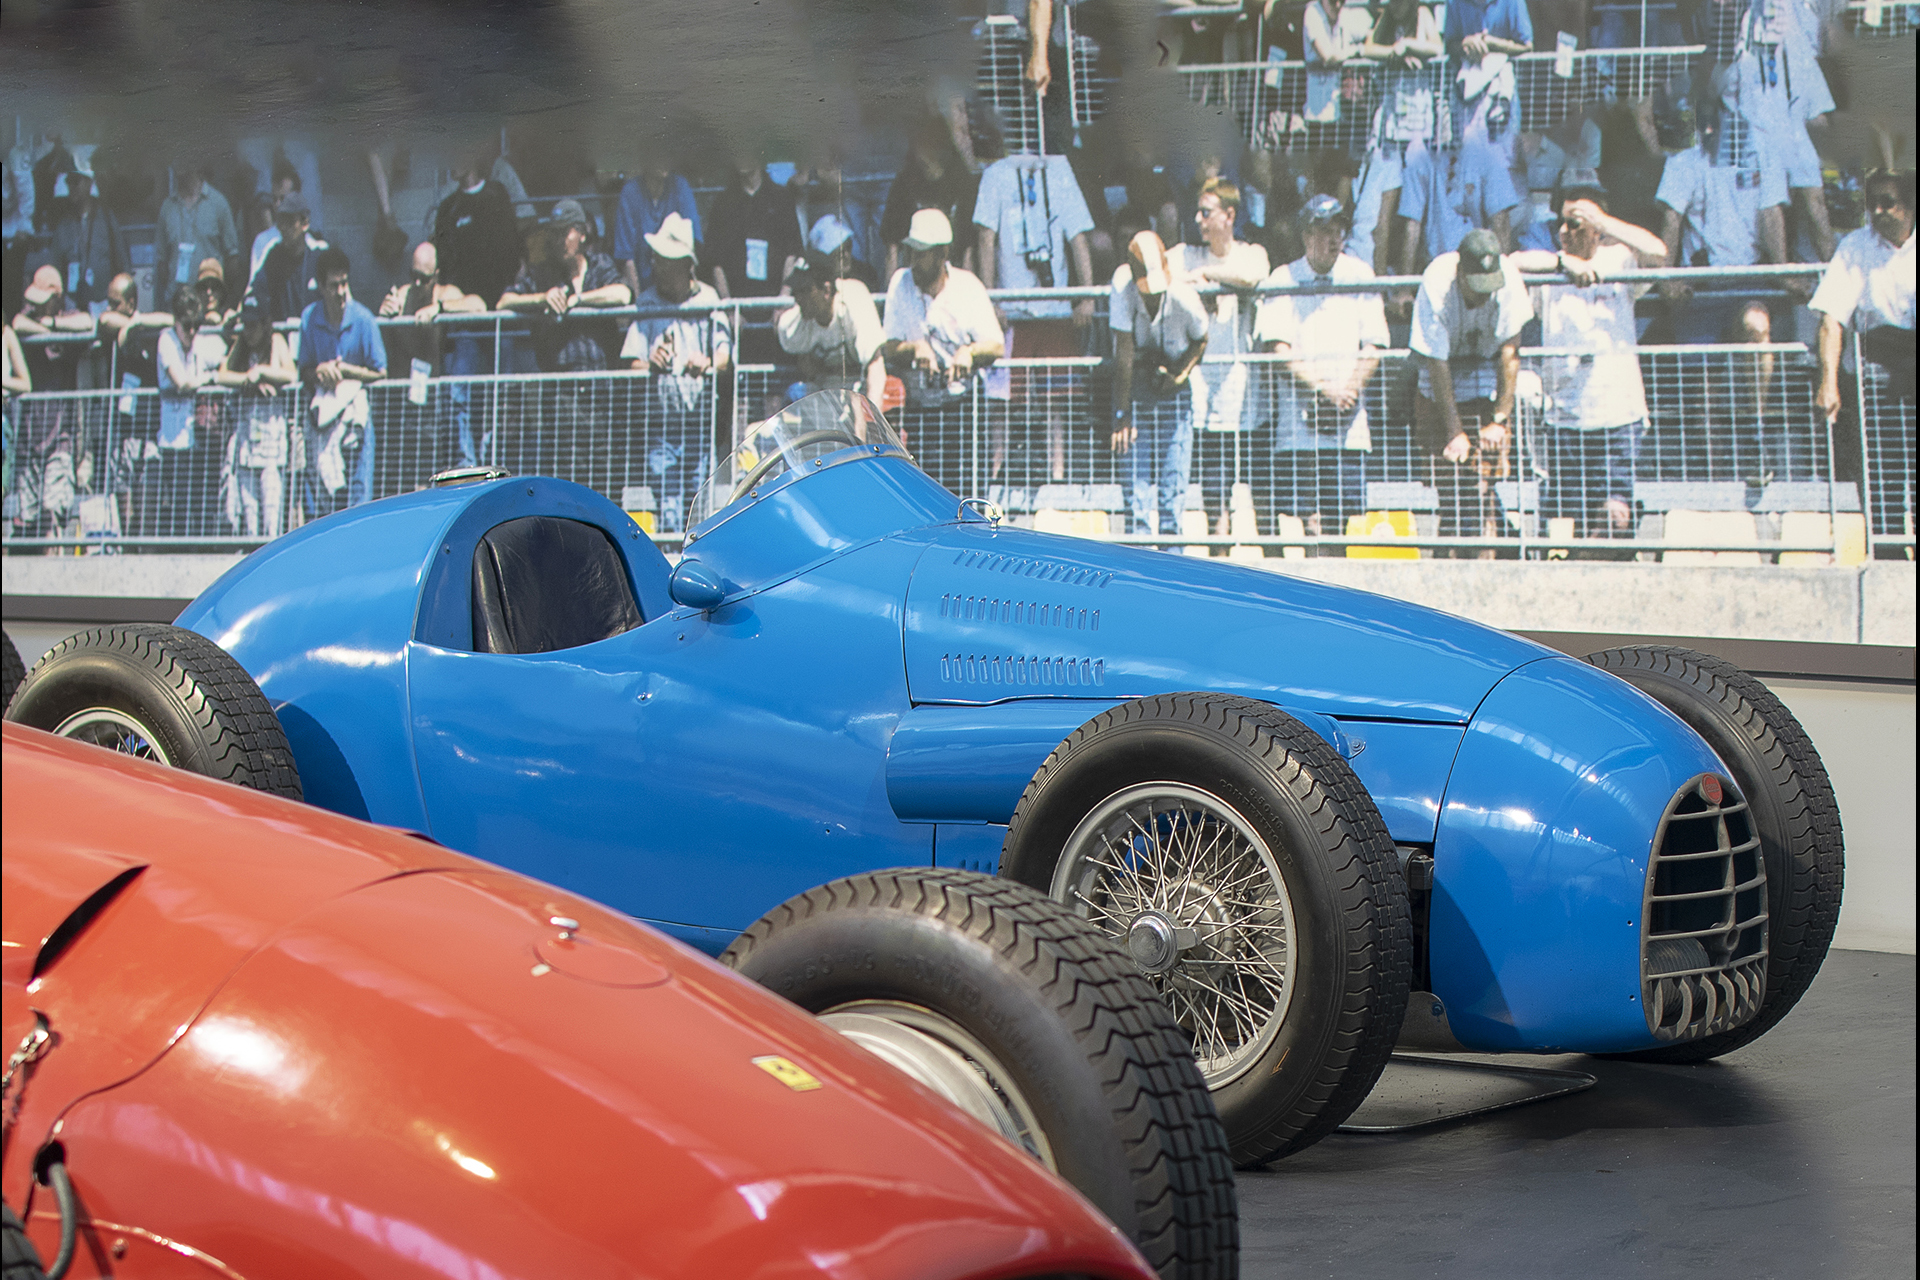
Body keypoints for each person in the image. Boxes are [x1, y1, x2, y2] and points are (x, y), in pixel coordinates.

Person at [1508, 178, 1667, 548]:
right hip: (1564, 417)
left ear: (1596, 230)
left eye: (1575, 224)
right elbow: (1510, 263)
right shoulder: (1549, 267)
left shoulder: (1620, 259)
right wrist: (1563, 263)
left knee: (1615, 517)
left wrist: (1603, 221)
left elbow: (1657, 252)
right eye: (1561, 223)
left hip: (1617, 415)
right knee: (1562, 523)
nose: (1564, 231)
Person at [1655, 102, 1791, 481]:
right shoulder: (1683, 163)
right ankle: (1712, 477)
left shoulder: (1763, 159)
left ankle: (1756, 439)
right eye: (1710, 124)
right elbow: (1671, 219)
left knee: (1755, 326)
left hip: (1747, 277)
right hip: (1701, 284)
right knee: (1704, 392)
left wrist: (1781, 272)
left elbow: (1771, 215)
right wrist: (1668, 278)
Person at [1254, 195, 1389, 545]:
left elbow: (1375, 344)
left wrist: (1348, 390)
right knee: (1305, 521)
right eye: (1325, 230)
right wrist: (1323, 389)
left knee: (1340, 523)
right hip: (1298, 426)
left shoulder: (1361, 274)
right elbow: (1278, 350)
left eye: (1339, 230)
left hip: (1348, 424)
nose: (1334, 239)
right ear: (1305, 235)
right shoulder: (1282, 278)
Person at [974, 149, 1097, 482]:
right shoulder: (995, 172)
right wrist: (991, 299)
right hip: (1012, 309)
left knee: (1054, 398)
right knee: (1002, 399)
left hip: (1053, 306)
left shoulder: (1058, 168)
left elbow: (1078, 235)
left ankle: (1056, 473)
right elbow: (986, 238)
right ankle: (997, 472)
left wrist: (1085, 294)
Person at [1411, 228, 1534, 556]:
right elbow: (1436, 363)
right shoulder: (1437, 280)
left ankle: (1488, 568)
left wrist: (1499, 420)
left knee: (1482, 491)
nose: (1483, 295)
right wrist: (1455, 432)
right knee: (1451, 494)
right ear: (1461, 272)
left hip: (1485, 371)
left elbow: (1510, 354)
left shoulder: (1508, 277)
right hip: (1441, 375)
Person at [1812, 169, 1914, 555]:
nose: (1880, 211)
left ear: (1909, 204)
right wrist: (1829, 382)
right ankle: (1886, 560)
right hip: (1875, 366)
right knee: (1879, 477)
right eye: (1873, 204)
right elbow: (1831, 318)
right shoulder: (1856, 245)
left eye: (1889, 202)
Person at [620, 212, 731, 536]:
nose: (657, 266)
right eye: (657, 259)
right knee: (668, 513)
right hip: (661, 426)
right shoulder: (647, 301)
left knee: (704, 513)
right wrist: (650, 363)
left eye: (665, 261)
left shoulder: (709, 299)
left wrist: (708, 361)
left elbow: (725, 355)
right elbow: (632, 361)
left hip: (700, 423)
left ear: (685, 265)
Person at [881, 209, 1004, 495]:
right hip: (921, 410)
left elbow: (996, 344)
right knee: (925, 496)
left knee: (969, 496)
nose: (914, 261)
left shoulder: (968, 286)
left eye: (922, 254)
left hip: (964, 409)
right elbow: (889, 346)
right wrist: (914, 349)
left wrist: (969, 352)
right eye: (912, 251)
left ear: (942, 253)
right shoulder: (900, 283)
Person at [1175, 178, 1271, 537]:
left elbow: (1253, 273)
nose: (1199, 220)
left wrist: (1209, 276)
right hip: (1204, 400)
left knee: (1264, 508)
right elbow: (1162, 272)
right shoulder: (1187, 254)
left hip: (1246, 399)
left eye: (1206, 212)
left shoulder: (1251, 252)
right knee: (1216, 513)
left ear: (1229, 215)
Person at [1109, 231, 1209, 539]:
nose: (1152, 295)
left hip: (1175, 387)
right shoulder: (1121, 288)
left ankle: (1173, 572)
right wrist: (1121, 414)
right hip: (1135, 385)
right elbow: (1123, 356)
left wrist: (1178, 375)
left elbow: (1201, 339)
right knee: (1136, 496)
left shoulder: (1183, 296)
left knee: (1172, 492)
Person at [298, 246, 387, 519]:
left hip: (356, 413)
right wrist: (320, 371)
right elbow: (303, 370)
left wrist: (348, 371)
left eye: (344, 283)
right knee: (320, 483)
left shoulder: (363, 318)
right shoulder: (309, 318)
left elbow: (380, 372)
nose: (340, 292)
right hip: (323, 414)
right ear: (321, 287)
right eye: (334, 285)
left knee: (360, 483)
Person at [499, 199, 632, 373]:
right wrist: (542, 298)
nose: (559, 240)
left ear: (582, 234)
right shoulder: (541, 274)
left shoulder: (600, 264)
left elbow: (623, 294)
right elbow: (504, 302)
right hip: (560, 388)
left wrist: (577, 300)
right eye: (554, 233)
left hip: (602, 383)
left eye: (565, 232)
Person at [216, 295, 297, 539]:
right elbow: (221, 376)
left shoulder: (276, 341)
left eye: (253, 325)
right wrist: (248, 379)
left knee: (271, 514)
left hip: (271, 440)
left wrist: (262, 372)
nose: (248, 332)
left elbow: (291, 374)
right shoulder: (241, 346)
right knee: (250, 514)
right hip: (247, 441)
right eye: (245, 325)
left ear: (264, 323)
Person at [152, 282, 225, 536]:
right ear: (176, 321)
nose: (192, 332)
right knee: (180, 505)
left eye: (196, 326)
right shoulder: (166, 340)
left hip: (197, 439)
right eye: (187, 326)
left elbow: (224, 357)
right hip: (173, 440)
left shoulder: (199, 340)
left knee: (202, 503)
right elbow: (182, 383)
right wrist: (209, 377)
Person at [1397, 128, 1520, 276]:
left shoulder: (1488, 149)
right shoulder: (1418, 151)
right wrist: (1404, 288)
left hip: (1478, 265)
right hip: (1435, 268)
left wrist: (1498, 277)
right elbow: (1412, 224)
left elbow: (1501, 222)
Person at [777, 252, 886, 403]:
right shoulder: (796, 321)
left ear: (827, 290)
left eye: (805, 290)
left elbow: (876, 365)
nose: (798, 298)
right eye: (796, 291)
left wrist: (872, 422)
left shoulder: (854, 298)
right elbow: (804, 363)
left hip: (860, 389)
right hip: (825, 393)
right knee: (795, 392)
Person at [881, 114, 979, 278]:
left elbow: (968, 245)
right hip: (914, 275)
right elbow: (892, 245)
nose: (923, 154)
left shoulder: (963, 183)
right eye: (919, 146)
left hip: (952, 273)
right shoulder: (904, 184)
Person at [432, 149, 521, 309]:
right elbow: (443, 257)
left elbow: (511, 245)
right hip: (463, 303)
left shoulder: (496, 195)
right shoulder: (448, 208)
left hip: (496, 296)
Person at [706, 157, 803, 303]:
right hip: (735, 304)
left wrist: (782, 302)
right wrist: (729, 307)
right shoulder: (723, 203)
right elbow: (715, 261)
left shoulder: (781, 199)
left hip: (777, 300)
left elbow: (793, 254)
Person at [45, 155, 127, 314]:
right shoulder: (63, 224)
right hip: (72, 305)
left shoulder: (107, 219)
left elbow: (122, 262)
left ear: (89, 184)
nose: (71, 186)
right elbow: (53, 267)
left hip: (103, 303)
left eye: (76, 181)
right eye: (69, 181)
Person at [612, 157, 700, 301]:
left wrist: (688, 298)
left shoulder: (680, 186)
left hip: (677, 290)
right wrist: (640, 307)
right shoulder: (630, 192)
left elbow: (690, 247)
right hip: (643, 287)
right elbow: (626, 257)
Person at [157, 163, 240, 308]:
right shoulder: (167, 207)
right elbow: (162, 261)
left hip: (209, 304)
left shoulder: (218, 204)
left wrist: (218, 296)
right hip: (177, 305)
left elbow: (232, 259)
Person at [247, 194, 330, 325]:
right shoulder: (272, 257)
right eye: (280, 221)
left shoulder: (321, 256)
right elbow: (255, 294)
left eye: (290, 221)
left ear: (305, 223)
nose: (284, 227)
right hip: (282, 339)